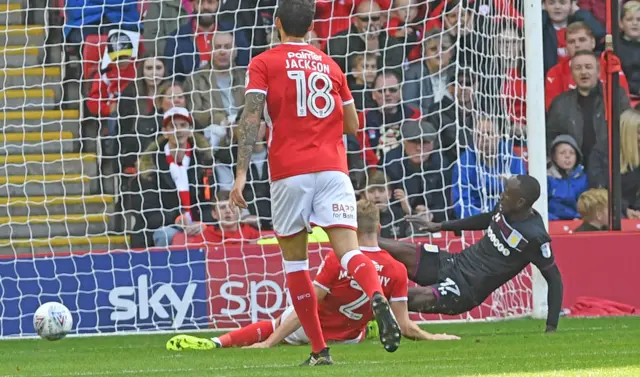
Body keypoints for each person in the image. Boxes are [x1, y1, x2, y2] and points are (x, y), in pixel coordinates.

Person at [229, 0, 400, 366]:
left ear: (277, 24)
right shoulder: (330, 65)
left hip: (290, 171)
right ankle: (376, 294)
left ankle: (320, 351)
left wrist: (241, 174)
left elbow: (252, 117)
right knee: (351, 253)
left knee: (296, 265)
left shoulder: (264, 62)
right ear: (310, 28)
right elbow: (352, 125)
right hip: (334, 168)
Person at [165, 200, 459, 351]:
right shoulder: (396, 268)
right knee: (368, 315)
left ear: (349, 228)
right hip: (350, 337)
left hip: (316, 333)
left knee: (280, 321)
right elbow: (405, 326)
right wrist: (437, 336)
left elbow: (308, 306)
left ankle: (218, 342)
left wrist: (270, 341)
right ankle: (366, 327)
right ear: (380, 229)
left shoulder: (339, 258)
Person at [378, 175, 565, 333]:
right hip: (453, 263)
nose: (501, 195)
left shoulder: (535, 237)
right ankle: (352, 249)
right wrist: (442, 226)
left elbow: (554, 279)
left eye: (506, 193)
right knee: (395, 248)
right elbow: (486, 219)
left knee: (401, 296)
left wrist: (551, 327)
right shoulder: (505, 208)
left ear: (521, 202)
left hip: (465, 289)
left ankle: (359, 308)